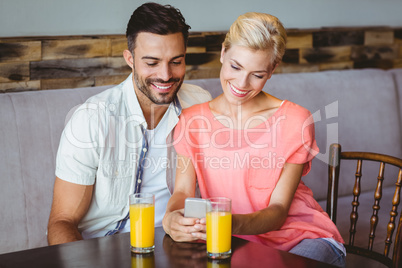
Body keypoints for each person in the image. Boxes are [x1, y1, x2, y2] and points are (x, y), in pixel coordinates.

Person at [162, 12, 346, 267]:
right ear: (223, 52)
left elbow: (279, 211)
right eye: (235, 67)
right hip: (229, 240)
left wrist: (228, 222)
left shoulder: (296, 120)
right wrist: (171, 217)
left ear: (272, 70)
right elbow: (182, 191)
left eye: (257, 74)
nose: (241, 83)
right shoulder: (192, 121)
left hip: (302, 239)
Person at [47, 2, 211, 245]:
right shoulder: (92, 119)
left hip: (172, 246)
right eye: (152, 63)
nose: (165, 75)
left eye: (176, 61)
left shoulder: (199, 104)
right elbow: (62, 221)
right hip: (102, 251)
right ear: (130, 58)